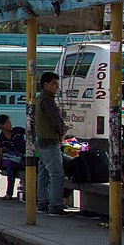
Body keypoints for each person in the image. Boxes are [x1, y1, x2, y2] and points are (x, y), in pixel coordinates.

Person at [34, 71, 71, 216]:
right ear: (46, 85)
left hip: (42, 141)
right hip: (50, 142)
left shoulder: (40, 99)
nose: (57, 87)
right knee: (57, 174)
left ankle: (42, 203)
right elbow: (56, 121)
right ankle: (55, 206)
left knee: (43, 173)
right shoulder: (48, 101)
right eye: (54, 84)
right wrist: (63, 130)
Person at [0, 114, 25, 199]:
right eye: (8, 123)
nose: (10, 125)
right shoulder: (1, 139)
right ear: (2, 126)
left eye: (10, 123)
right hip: (10, 159)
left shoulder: (18, 131)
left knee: (10, 168)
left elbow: (30, 133)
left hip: (21, 159)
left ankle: (9, 193)